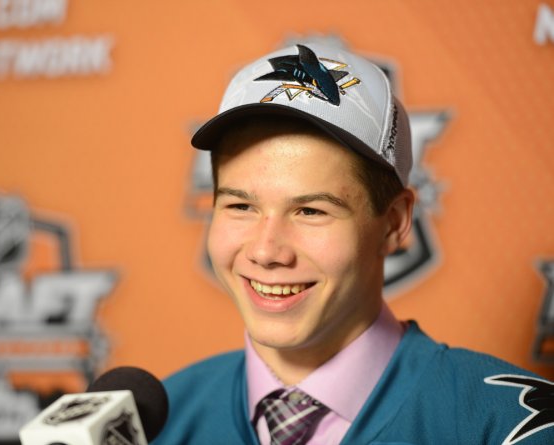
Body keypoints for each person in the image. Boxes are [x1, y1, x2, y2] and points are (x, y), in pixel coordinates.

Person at [152, 43, 554, 445]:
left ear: (394, 223)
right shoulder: (157, 423)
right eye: (241, 206)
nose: (266, 252)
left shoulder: (507, 427)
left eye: (310, 211)